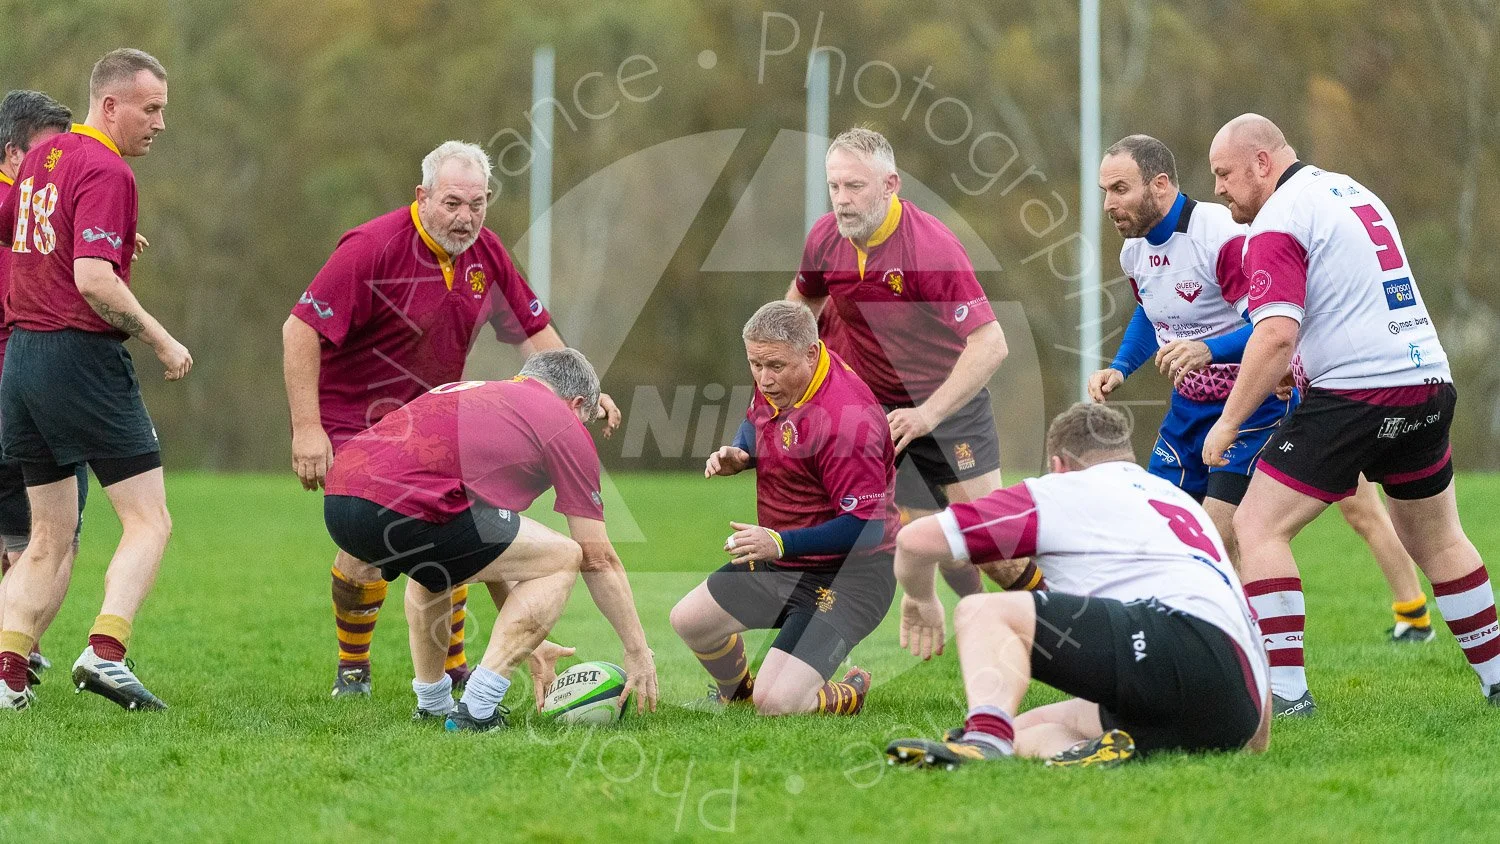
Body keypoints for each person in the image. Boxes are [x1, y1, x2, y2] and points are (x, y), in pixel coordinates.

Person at [282, 141, 621, 698]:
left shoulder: (486, 252)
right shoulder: (371, 247)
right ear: (423, 196)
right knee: (366, 549)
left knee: (453, 533)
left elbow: (535, 333)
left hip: (438, 422)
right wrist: (307, 427)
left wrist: (584, 391)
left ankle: (454, 668)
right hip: (356, 419)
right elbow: (300, 329)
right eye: (453, 203)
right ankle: (353, 669)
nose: (465, 217)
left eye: (477, 204)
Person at [1203, 114, 1497, 715]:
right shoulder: (1351, 191)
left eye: (1224, 174)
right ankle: (1497, 678)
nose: (1218, 189)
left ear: (1262, 163)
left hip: (1358, 395)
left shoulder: (1278, 219)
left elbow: (1276, 334)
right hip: (1426, 380)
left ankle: (1283, 695)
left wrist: (1228, 422)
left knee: (1257, 527)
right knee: (1437, 539)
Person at [1087, 134, 1433, 640]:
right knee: (1165, 526)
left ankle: (1405, 614)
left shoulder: (1220, 236)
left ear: (1159, 185)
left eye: (1119, 188)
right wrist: (1120, 366)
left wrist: (1209, 350)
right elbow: (1151, 309)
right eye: (1105, 190)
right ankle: (1206, 645)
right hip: (1192, 407)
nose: (1108, 203)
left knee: (1317, 513)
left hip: (1258, 400)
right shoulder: (1133, 252)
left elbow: (1269, 322)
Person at [885, 403, 1268, 769]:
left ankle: (984, 742)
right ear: (1125, 457)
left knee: (981, 611)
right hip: (1236, 703)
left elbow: (915, 541)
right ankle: (1080, 755)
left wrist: (921, 598)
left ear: (1058, 466)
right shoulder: (1183, 505)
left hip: (1171, 643)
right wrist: (1253, 734)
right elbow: (1243, 616)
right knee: (1027, 729)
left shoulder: (1063, 490)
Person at [321, 349, 656, 730]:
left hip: (341, 500)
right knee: (566, 554)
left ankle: (432, 704)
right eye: (585, 418)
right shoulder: (562, 422)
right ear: (576, 402)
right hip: (408, 506)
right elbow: (598, 559)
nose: (583, 427)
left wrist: (530, 637)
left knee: (438, 567)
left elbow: (484, 549)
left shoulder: (475, 393)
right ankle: (477, 709)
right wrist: (637, 650)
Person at [0, 49, 190, 711]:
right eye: (151, 108)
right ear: (110, 106)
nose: (160, 123)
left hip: (20, 364)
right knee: (149, 520)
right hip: (78, 358)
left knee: (48, 537)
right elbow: (91, 280)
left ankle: (7, 674)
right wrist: (161, 337)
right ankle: (105, 653)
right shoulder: (107, 168)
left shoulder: (35, 164)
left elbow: (29, 241)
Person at [789, 127, 1038, 597]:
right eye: (834, 186)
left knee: (992, 549)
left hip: (948, 409)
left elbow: (991, 343)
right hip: (880, 411)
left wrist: (927, 415)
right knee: (924, 537)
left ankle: (1058, 620)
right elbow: (802, 305)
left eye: (855, 187)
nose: (842, 200)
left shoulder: (930, 249)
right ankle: (977, 622)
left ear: (890, 185)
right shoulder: (826, 237)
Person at [669, 301, 898, 716]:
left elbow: (867, 529)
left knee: (777, 703)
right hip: (785, 562)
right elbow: (757, 419)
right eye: (755, 365)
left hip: (851, 578)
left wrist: (778, 542)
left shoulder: (848, 420)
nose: (764, 378)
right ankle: (735, 698)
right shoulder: (783, 376)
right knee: (690, 621)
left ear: (811, 353)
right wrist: (741, 451)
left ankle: (849, 690)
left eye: (774, 366)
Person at [0, 89, 90, 687]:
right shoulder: (23, 220)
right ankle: (16, 652)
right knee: (53, 538)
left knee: (19, 537)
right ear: (12, 154)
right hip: (29, 393)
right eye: (46, 154)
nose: (56, 167)